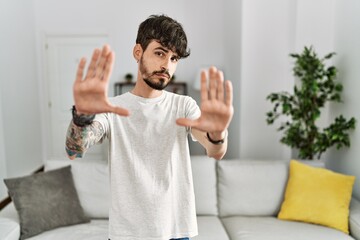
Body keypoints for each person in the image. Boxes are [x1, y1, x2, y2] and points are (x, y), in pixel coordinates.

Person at [65, 14, 233, 240]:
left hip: (176, 230)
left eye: (174, 58)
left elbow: (216, 151)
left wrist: (218, 132)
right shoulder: (113, 108)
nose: (166, 65)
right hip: (126, 234)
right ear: (138, 52)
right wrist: (82, 117)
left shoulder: (183, 105)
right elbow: (74, 149)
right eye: (160, 53)